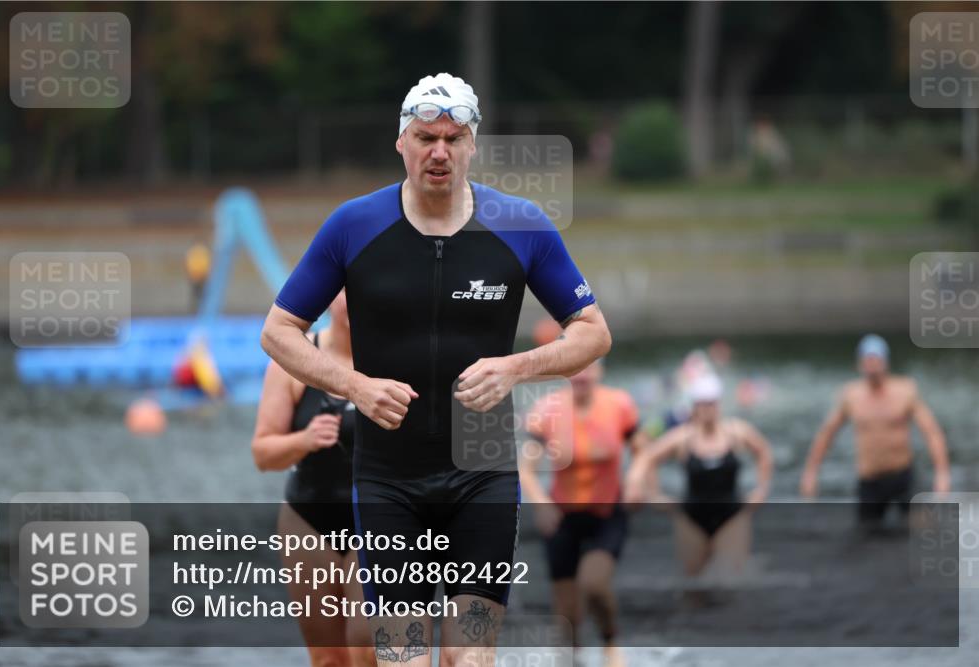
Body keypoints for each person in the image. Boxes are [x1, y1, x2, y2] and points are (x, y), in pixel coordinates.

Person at [261, 73, 611, 667]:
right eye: (426, 136)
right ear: (401, 142)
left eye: (454, 137)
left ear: (474, 144)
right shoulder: (354, 225)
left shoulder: (519, 223)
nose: (439, 151)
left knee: (471, 659)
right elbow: (278, 331)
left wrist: (515, 368)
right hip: (388, 480)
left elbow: (594, 332)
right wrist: (354, 386)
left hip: (484, 475)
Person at [251, 290, 375, 667]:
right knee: (327, 658)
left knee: (367, 646)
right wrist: (304, 440)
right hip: (308, 521)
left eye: (362, 290)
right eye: (344, 293)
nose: (353, 303)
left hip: (375, 519)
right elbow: (262, 453)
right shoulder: (293, 361)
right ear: (328, 298)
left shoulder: (396, 361)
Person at [519, 359, 646, 667]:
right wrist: (541, 504)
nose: (582, 376)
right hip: (562, 515)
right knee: (567, 615)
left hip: (607, 512)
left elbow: (642, 449)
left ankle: (610, 640)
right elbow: (526, 467)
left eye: (589, 368)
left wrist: (638, 477)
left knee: (594, 583)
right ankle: (574, 658)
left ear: (599, 371)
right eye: (576, 369)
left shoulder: (619, 404)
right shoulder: (547, 410)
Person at [624, 375, 773, 579]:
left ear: (719, 404)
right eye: (702, 404)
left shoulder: (737, 433)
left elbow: (763, 451)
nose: (707, 409)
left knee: (731, 578)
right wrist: (653, 494)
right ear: (694, 406)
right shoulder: (683, 438)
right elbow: (648, 457)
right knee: (693, 585)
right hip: (691, 518)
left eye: (711, 403)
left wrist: (761, 489)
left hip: (732, 515)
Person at [800, 334, 951, 528]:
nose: (872, 365)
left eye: (876, 359)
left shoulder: (904, 391)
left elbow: (932, 432)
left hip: (903, 476)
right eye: (867, 360)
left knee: (922, 531)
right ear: (860, 364)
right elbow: (827, 433)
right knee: (867, 539)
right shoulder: (851, 396)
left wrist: (942, 474)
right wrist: (811, 473)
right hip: (869, 480)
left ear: (885, 361)